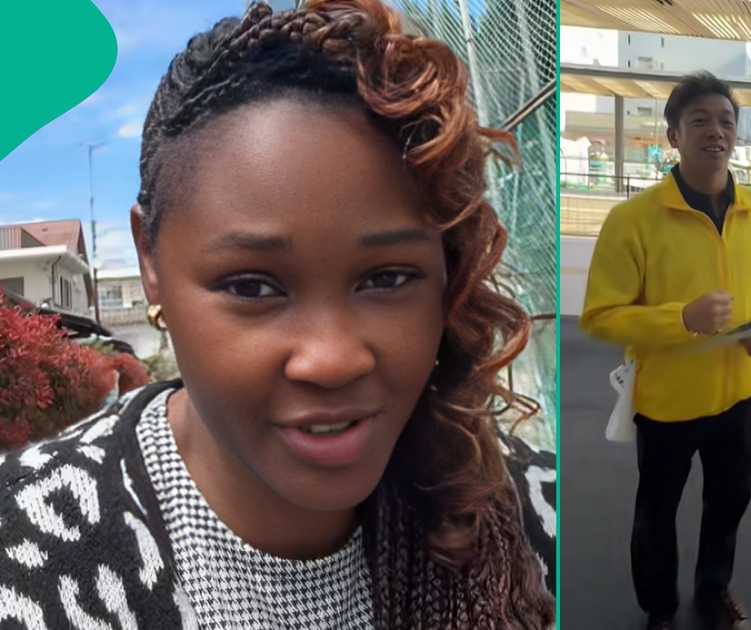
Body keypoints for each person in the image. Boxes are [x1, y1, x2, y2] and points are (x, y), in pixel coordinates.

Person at [0, 2, 554, 628]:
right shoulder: (24, 555)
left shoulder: (534, 518)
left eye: (388, 278)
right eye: (254, 287)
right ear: (149, 257)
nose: (332, 359)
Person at [581, 71, 751, 630]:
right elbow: (601, 316)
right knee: (657, 512)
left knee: (729, 505)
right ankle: (659, 608)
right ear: (674, 135)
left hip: (744, 394)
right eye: (699, 120)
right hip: (667, 401)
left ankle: (713, 592)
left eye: (726, 121)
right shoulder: (633, 220)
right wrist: (682, 318)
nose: (716, 131)